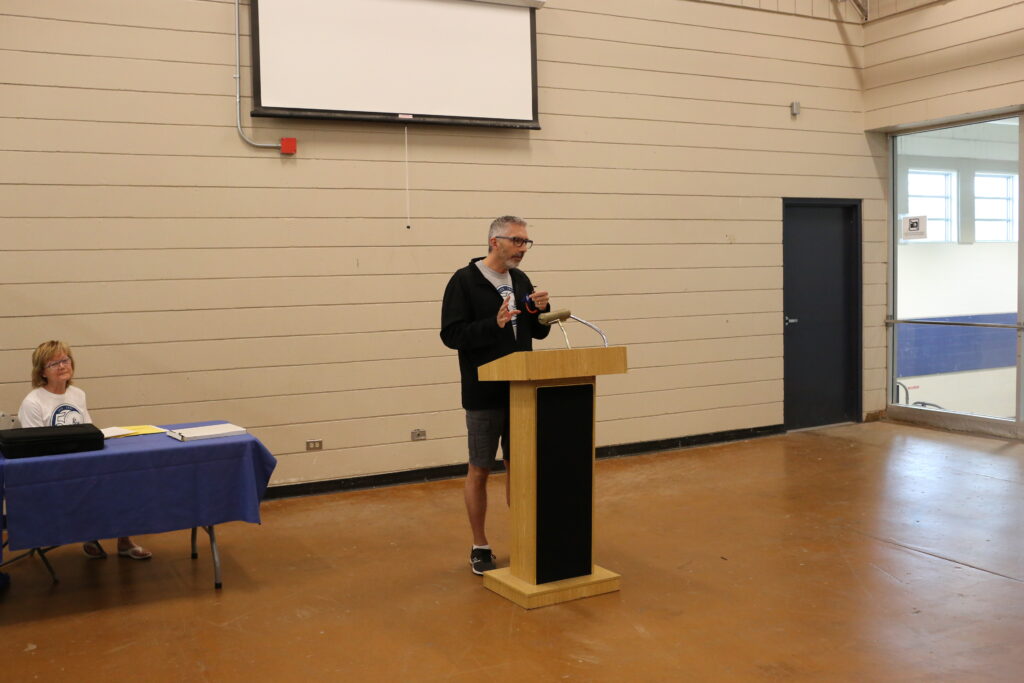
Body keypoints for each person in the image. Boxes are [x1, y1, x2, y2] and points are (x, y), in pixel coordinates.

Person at [440, 216, 551, 575]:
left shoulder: (520, 280)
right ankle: (480, 546)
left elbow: (536, 333)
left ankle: (524, 537)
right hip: (483, 391)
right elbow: (451, 335)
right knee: (480, 468)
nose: (523, 249)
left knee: (519, 467)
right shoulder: (464, 281)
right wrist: (494, 324)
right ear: (494, 242)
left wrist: (540, 311)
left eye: (526, 242)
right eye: (517, 241)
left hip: (521, 390)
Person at [17, 340, 152, 561]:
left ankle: (124, 541)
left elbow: (87, 432)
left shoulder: (77, 394)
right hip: (53, 473)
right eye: (54, 363)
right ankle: (91, 535)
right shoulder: (33, 402)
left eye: (65, 360)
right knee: (98, 485)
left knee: (124, 476)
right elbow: (35, 449)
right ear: (42, 371)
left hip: (82, 465)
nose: (62, 366)